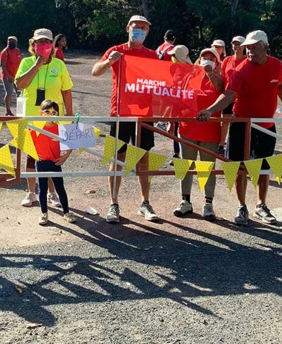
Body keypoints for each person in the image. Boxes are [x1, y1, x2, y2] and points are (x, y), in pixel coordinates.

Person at [197, 30, 282, 226]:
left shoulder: (276, 65)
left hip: (266, 126)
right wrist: (209, 110)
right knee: (239, 166)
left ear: (265, 46)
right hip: (241, 124)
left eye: (254, 48)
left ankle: (261, 205)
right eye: (248, 49)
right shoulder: (240, 70)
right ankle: (241, 206)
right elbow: (229, 95)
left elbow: (280, 86)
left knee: (264, 168)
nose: (250, 52)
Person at [91, 15, 160, 223]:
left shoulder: (153, 55)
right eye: (135, 27)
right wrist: (108, 62)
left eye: (143, 28)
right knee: (117, 158)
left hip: (146, 114)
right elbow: (95, 72)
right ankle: (114, 203)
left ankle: (145, 203)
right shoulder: (116, 50)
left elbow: (165, 81)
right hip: (121, 113)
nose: (139, 30)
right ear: (127, 28)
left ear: (148, 32)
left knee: (144, 158)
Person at [15, 28, 74, 208]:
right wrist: (37, 65)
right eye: (39, 42)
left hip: (53, 119)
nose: (43, 45)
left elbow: (66, 91)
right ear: (33, 45)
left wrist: (70, 117)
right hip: (32, 118)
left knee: (52, 156)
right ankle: (32, 193)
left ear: (52, 45)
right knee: (33, 156)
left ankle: (52, 193)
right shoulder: (26, 62)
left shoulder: (59, 65)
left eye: (46, 42)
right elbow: (20, 84)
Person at [174, 47, 224, 221]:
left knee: (207, 169)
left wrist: (210, 73)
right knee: (186, 166)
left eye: (211, 58)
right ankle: (185, 201)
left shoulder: (220, 78)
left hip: (210, 132)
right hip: (187, 129)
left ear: (217, 62)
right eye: (204, 57)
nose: (207, 60)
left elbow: (221, 88)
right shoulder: (190, 77)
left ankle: (208, 204)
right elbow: (180, 98)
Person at [30, 99, 77, 225]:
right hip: (41, 162)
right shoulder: (36, 128)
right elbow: (28, 144)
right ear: (41, 113)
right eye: (47, 111)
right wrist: (34, 155)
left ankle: (66, 212)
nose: (51, 114)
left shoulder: (60, 128)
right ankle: (43, 213)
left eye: (54, 112)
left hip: (56, 162)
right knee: (42, 189)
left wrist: (65, 156)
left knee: (60, 187)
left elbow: (71, 142)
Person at [219, 36, 246, 148]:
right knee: (224, 122)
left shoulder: (247, 61)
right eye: (234, 44)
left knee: (238, 124)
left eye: (239, 44)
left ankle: (236, 146)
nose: (236, 46)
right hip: (227, 95)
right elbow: (222, 77)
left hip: (241, 97)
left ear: (244, 46)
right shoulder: (227, 60)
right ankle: (221, 145)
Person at [0, 36, 21, 116]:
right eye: (9, 41)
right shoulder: (4, 52)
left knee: (19, 93)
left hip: (17, 76)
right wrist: (8, 76)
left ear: (16, 42)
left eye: (13, 41)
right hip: (7, 76)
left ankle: (20, 109)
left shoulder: (17, 51)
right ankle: (8, 110)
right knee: (9, 92)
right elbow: (3, 66)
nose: (11, 42)